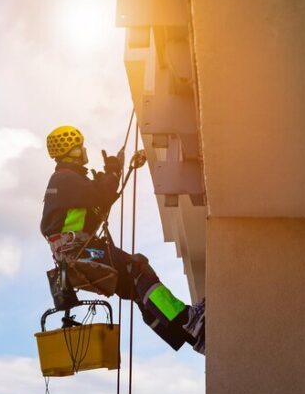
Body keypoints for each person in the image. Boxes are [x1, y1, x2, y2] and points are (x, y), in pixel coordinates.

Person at [41, 125, 205, 354]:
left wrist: (110, 176)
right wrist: (113, 172)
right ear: (74, 151)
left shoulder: (66, 181)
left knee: (137, 287)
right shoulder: (65, 179)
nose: (84, 150)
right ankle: (190, 322)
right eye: (81, 147)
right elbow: (103, 194)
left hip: (74, 253)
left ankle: (188, 335)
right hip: (78, 251)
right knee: (136, 267)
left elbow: (100, 199)